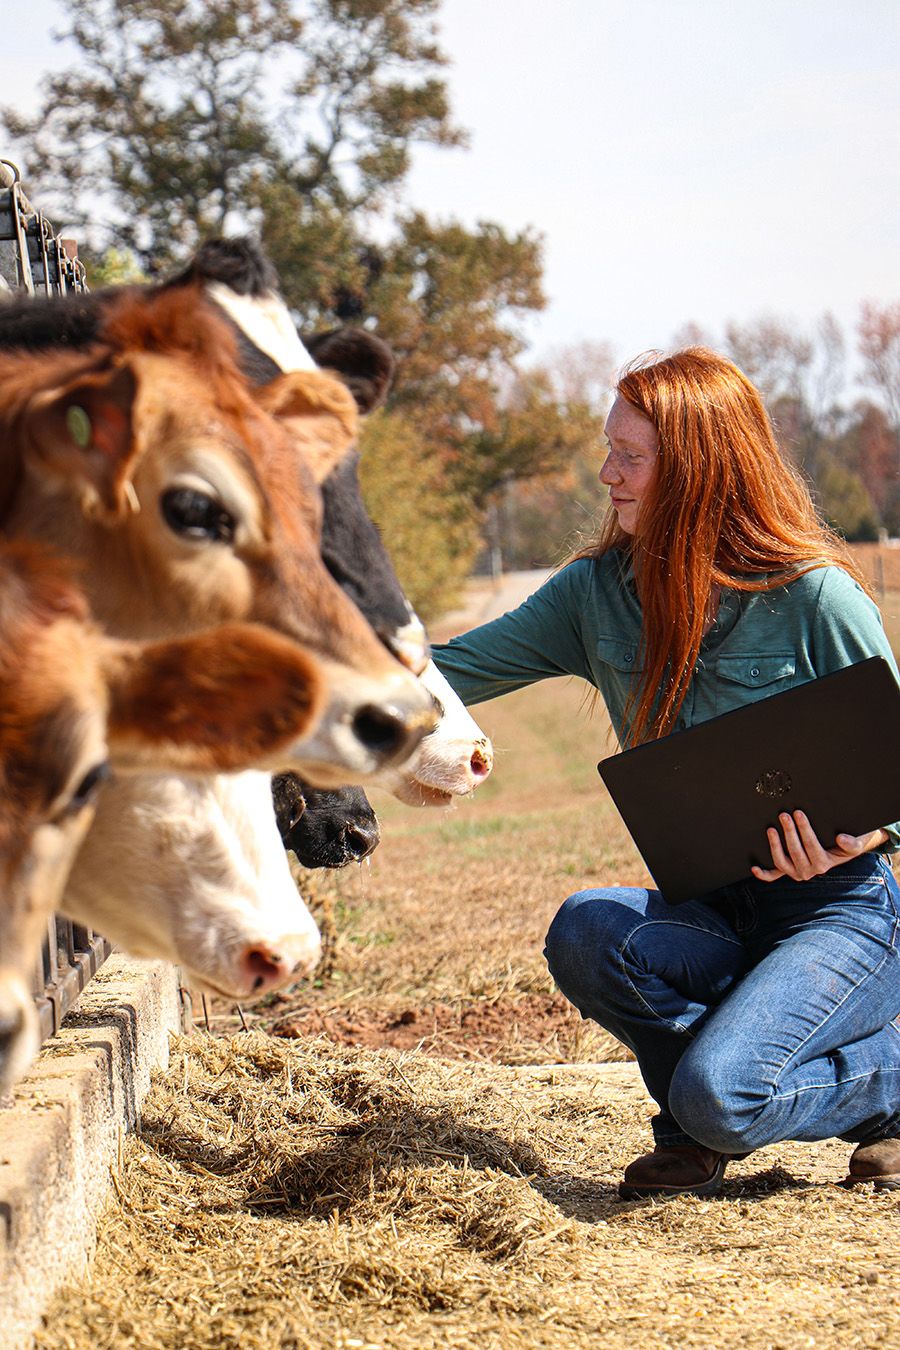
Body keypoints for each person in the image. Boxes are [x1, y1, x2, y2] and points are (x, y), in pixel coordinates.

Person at [432, 347, 900, 1199]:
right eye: (608, 449)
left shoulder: (816, 597)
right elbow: (443, 672)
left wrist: (851, 840)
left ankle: (851, 1089)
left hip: (837, 914)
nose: (607, 473)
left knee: (721, 1094)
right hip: (707, 912)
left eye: (630, 456)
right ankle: (734, 1094)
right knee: (585, 928)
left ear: (696, 471)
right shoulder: (592, 594)